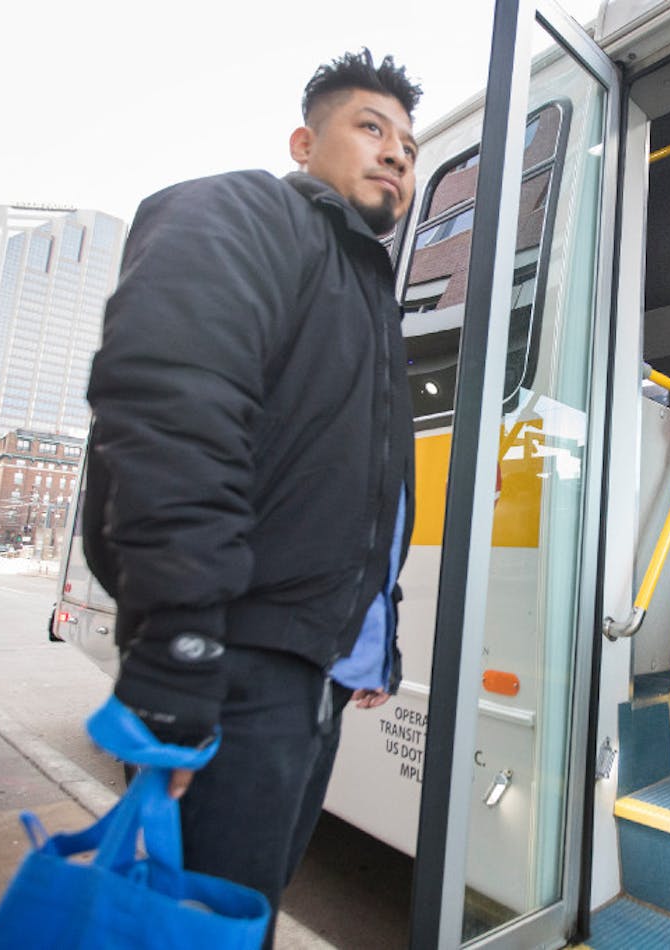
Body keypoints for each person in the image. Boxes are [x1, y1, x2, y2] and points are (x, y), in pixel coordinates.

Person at [80, 49, 420, 935]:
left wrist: (373, 637)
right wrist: (180, 651)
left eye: (410, 147)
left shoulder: (366, 292)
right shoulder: (244, 212)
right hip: (235, 663)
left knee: (236, 921)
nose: (397, 156)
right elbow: (170, 417)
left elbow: (355, 492)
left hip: (310, 677)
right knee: (192, 928)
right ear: (305, 143)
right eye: (371, 129)